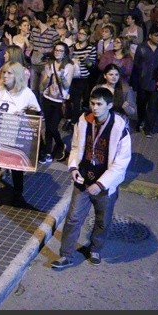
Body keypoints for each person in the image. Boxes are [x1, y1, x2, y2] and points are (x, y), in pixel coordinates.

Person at [51, 87, 131, 270]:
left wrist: (101, 184)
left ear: (109, 105)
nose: (94, 108)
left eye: (99, 104)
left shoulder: (119, 128)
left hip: (104, 185)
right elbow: (76, 147)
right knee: (73, 219)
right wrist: (73, 168)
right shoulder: (83, 120)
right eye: (92, 103)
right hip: (83, 180)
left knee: (102, 220)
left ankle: (95, 249)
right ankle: (66, 255)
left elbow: (121, 163)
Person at [0, 62, 41, 217]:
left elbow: (36, 115)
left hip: (15, 138)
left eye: (9, 73)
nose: (5, 76)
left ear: (17, 75)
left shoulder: (26, 93)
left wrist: (24, 116)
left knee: (16, 168)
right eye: (4, 72)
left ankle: (17, 196)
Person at [38, 41, 75, 164]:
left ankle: (59, 144)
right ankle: (48, 152)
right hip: (47, 98)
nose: (58, 52)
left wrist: (62, 77)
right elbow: (42, 86)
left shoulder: (69, 66)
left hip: (60, 101)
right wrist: (48, 77)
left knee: (52, 126)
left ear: (65, 53)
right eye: (56, 50)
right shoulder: (49, 64)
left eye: (61, 51)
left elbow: (67, 86)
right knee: (48, 127)